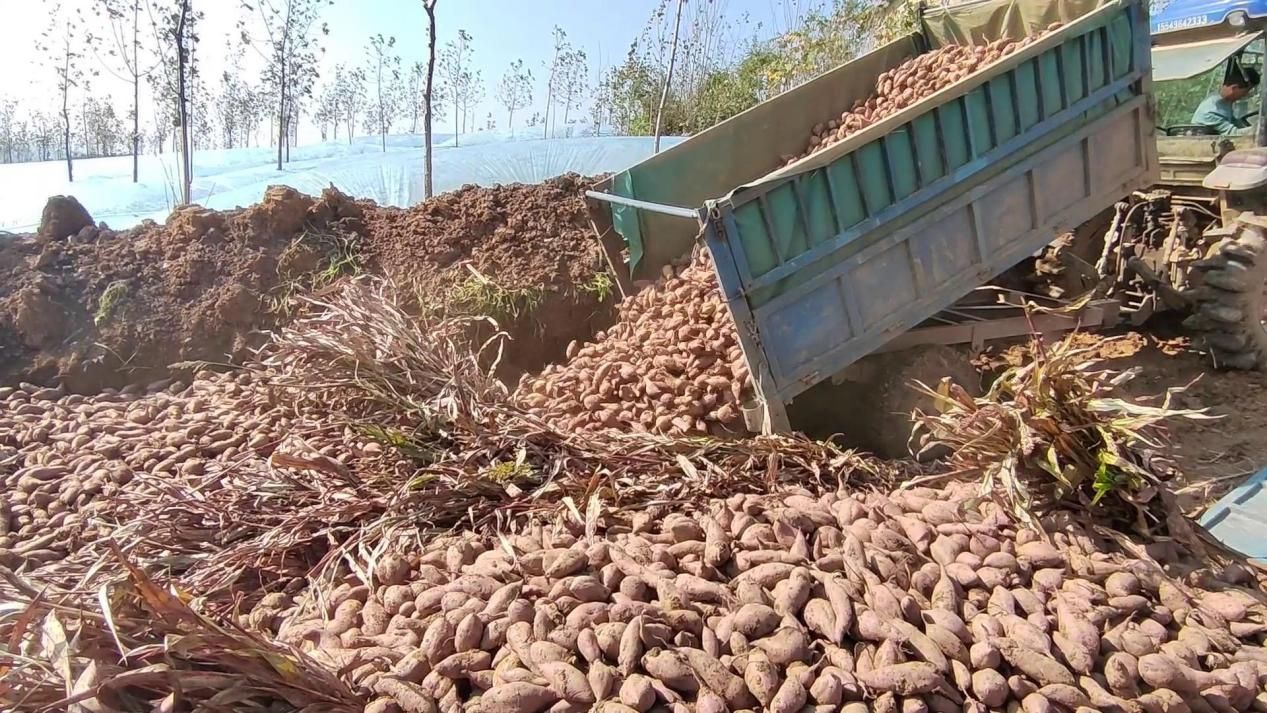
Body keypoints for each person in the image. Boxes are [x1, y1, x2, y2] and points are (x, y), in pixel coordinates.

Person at [1192, 67, 1261, 135]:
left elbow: (1235, 123)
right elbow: (1233, 134)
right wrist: (1260, 128)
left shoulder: (1224, 103)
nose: (1245, 95)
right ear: (1234, 88)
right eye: (1246, 91)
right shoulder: (1211, 111)